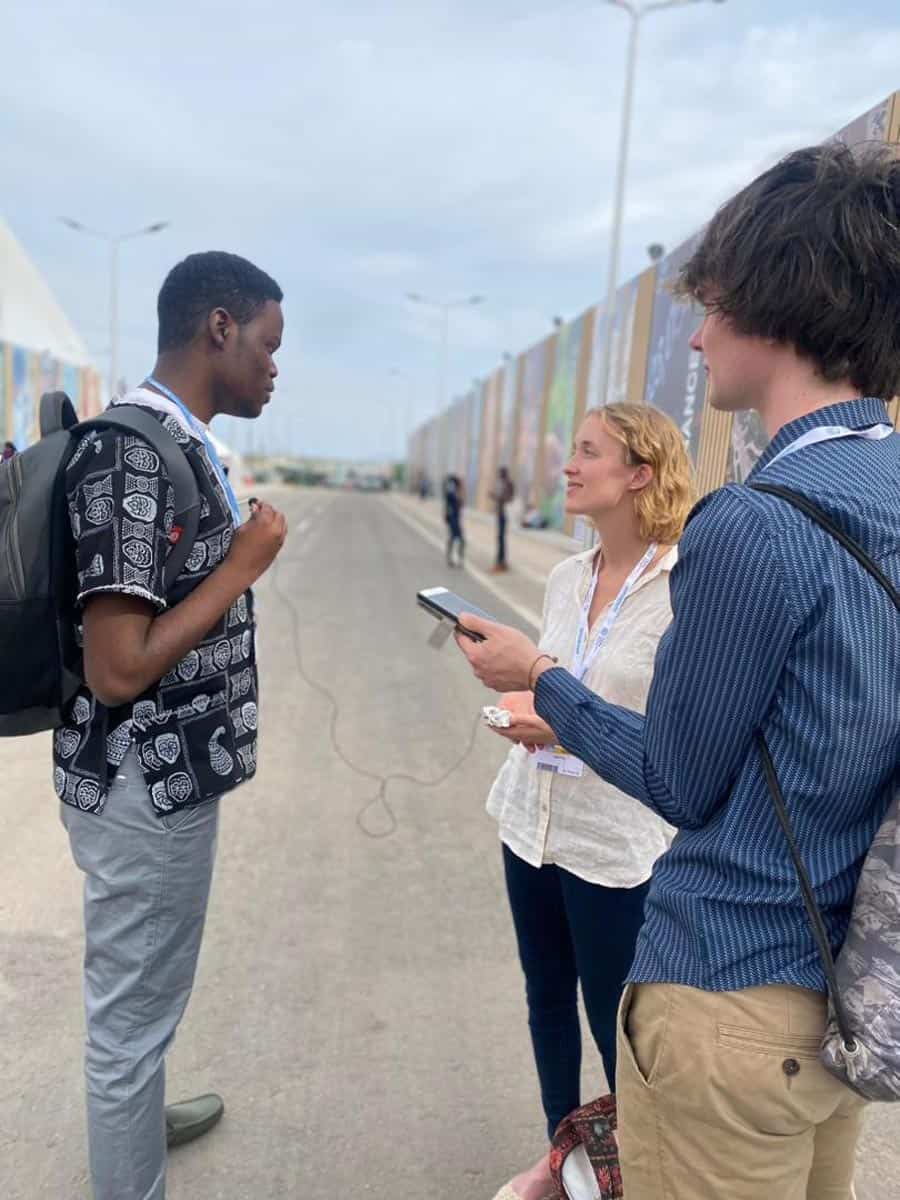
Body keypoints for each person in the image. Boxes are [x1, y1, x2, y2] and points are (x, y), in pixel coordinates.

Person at [455, 143, 900, 1199]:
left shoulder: (748, 523)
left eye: (717, 306)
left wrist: (544, 681)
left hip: (728, 999)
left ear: (782, 311)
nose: (697, 336)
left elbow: (681, 781)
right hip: (850, 995)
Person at [57, 251, 286, 1200]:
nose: (276, 367)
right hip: (141, 785)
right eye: (269, 345)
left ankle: (138, 1119)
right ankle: (129, 1167)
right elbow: (116, 668)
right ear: (219, 328)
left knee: (149, 994)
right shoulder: (131, 450)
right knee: (129, 1017)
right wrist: (243, 566)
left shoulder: (181, 442)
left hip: (174, 776)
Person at [484, 404, 693, 1200]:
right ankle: (560, 1160)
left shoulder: (684, 590)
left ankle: (636, 1172)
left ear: (639, 474)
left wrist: (562, 725)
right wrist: (527, 716)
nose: (569, 466)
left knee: (617, 1023)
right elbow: (560, 691)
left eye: (587, 452)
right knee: (545, 995)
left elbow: (672, 738)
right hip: (530, 819)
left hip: (614, 839)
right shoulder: (566, 577)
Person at [490, 465, 515, 572]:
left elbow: (508, 498)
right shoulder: (501, 484)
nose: (499, 476)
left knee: (501, 539)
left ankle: (501, 562)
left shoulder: (508, 484)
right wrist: (495, 496)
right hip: (500, 513)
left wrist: (497, 497)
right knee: (499, 538)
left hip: (504, 514)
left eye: (500, 474)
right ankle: (500, 561)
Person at [444, 473, 465, 567]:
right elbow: (460, 504)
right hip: (454, 519)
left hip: (454, 518)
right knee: (460, 540)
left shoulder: (452, 493)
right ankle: (457, 559)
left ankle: (451, 558)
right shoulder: (453, 493)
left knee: (454, 539)